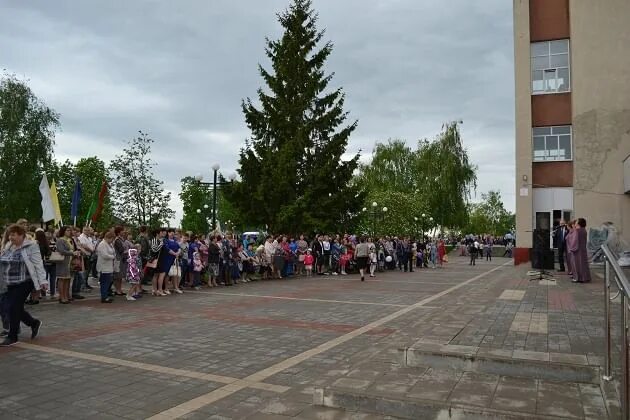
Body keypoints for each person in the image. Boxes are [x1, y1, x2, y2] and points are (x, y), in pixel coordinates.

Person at [0, 224, 47, 346]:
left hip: (25, 281)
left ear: (21, 235)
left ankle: (13, 336)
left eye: (13, 235)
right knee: (14, 308)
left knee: (12, 307)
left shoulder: (31, 246)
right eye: (10, 234)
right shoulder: (8, 246)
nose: (10, 237)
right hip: (9, 282)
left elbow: (38, 264)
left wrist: (43, 281)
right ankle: (33, 323)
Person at [55, 226, 81, 304]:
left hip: (70, 262)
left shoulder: (70, 240)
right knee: (62, 279)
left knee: (68, 279)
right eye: (67, 230)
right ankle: (61, 297)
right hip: (63, 262)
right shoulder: (60, 240)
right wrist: (72, 253)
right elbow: (61, 251)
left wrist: (76, 253)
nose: (69, 232)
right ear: (63, 231)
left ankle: (66, 295)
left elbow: (73, 249)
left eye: (70, 230)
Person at [96, 231, 116, 303]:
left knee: (108, 281)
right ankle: (104, 297)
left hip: (109, 266)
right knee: (104, 282)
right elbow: (105, 255)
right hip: (103, 266)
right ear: (108, 238)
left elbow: (113, 251)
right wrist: (113, 257)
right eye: (112, 239)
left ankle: (106, 295)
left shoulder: (109, 244)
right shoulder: (102, 244)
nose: (112, 241)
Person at [571, 218, 592, 283]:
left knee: (577, 264)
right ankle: (585, 277)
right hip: (583, 249)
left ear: (579, 223)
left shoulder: (577, 231)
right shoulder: (584, 230)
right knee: (584, 264)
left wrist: (572, 248)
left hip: (577, 250)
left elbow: (574, 240)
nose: (576, 222)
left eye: (577, 221)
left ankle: (578, 278)